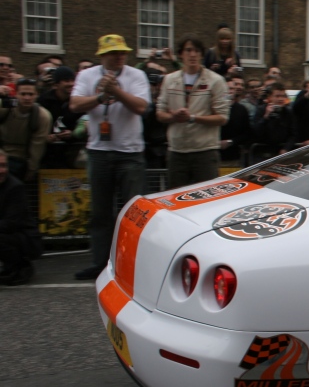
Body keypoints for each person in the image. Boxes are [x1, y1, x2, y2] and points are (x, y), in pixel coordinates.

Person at [69, 35, 150, 280]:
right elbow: (74, 105)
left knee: (132, 213)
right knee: (100, 212)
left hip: (130, 153)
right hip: (99, 152)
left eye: (122, 52)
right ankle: (100, 263)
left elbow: (141, 106)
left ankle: (132, 264)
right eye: (113, 52)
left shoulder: (136, 76)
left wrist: (115, 90)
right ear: (102, 55)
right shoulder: (87, 75)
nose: (119, 56)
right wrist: (101, 97)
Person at [156, 36, 230, 188]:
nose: (193, 55)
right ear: (181, 54)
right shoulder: (169, 80)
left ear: (202, 55)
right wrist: (173, 117)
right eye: (188, 50)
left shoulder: (215, 81)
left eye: (197, 51)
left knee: (207, 199)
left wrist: (193, 118)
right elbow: (160, 113)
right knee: (175, 198)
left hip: (205, 151)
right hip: (177, 150)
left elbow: (222, 117)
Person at [0, 149, 42, 285]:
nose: (2, 170)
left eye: (4, 165)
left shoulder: (15, 188)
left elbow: (11, 223)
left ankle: (20, 267)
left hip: (23, 238)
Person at [0, 78, 53, 182]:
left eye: (30, 94)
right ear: (16, 94)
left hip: (21, 159)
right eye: (23, 94)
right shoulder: (5, 108)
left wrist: (32, 168)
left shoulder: (42, 116)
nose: (27, 98)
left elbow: (38, 145)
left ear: (36, 95)